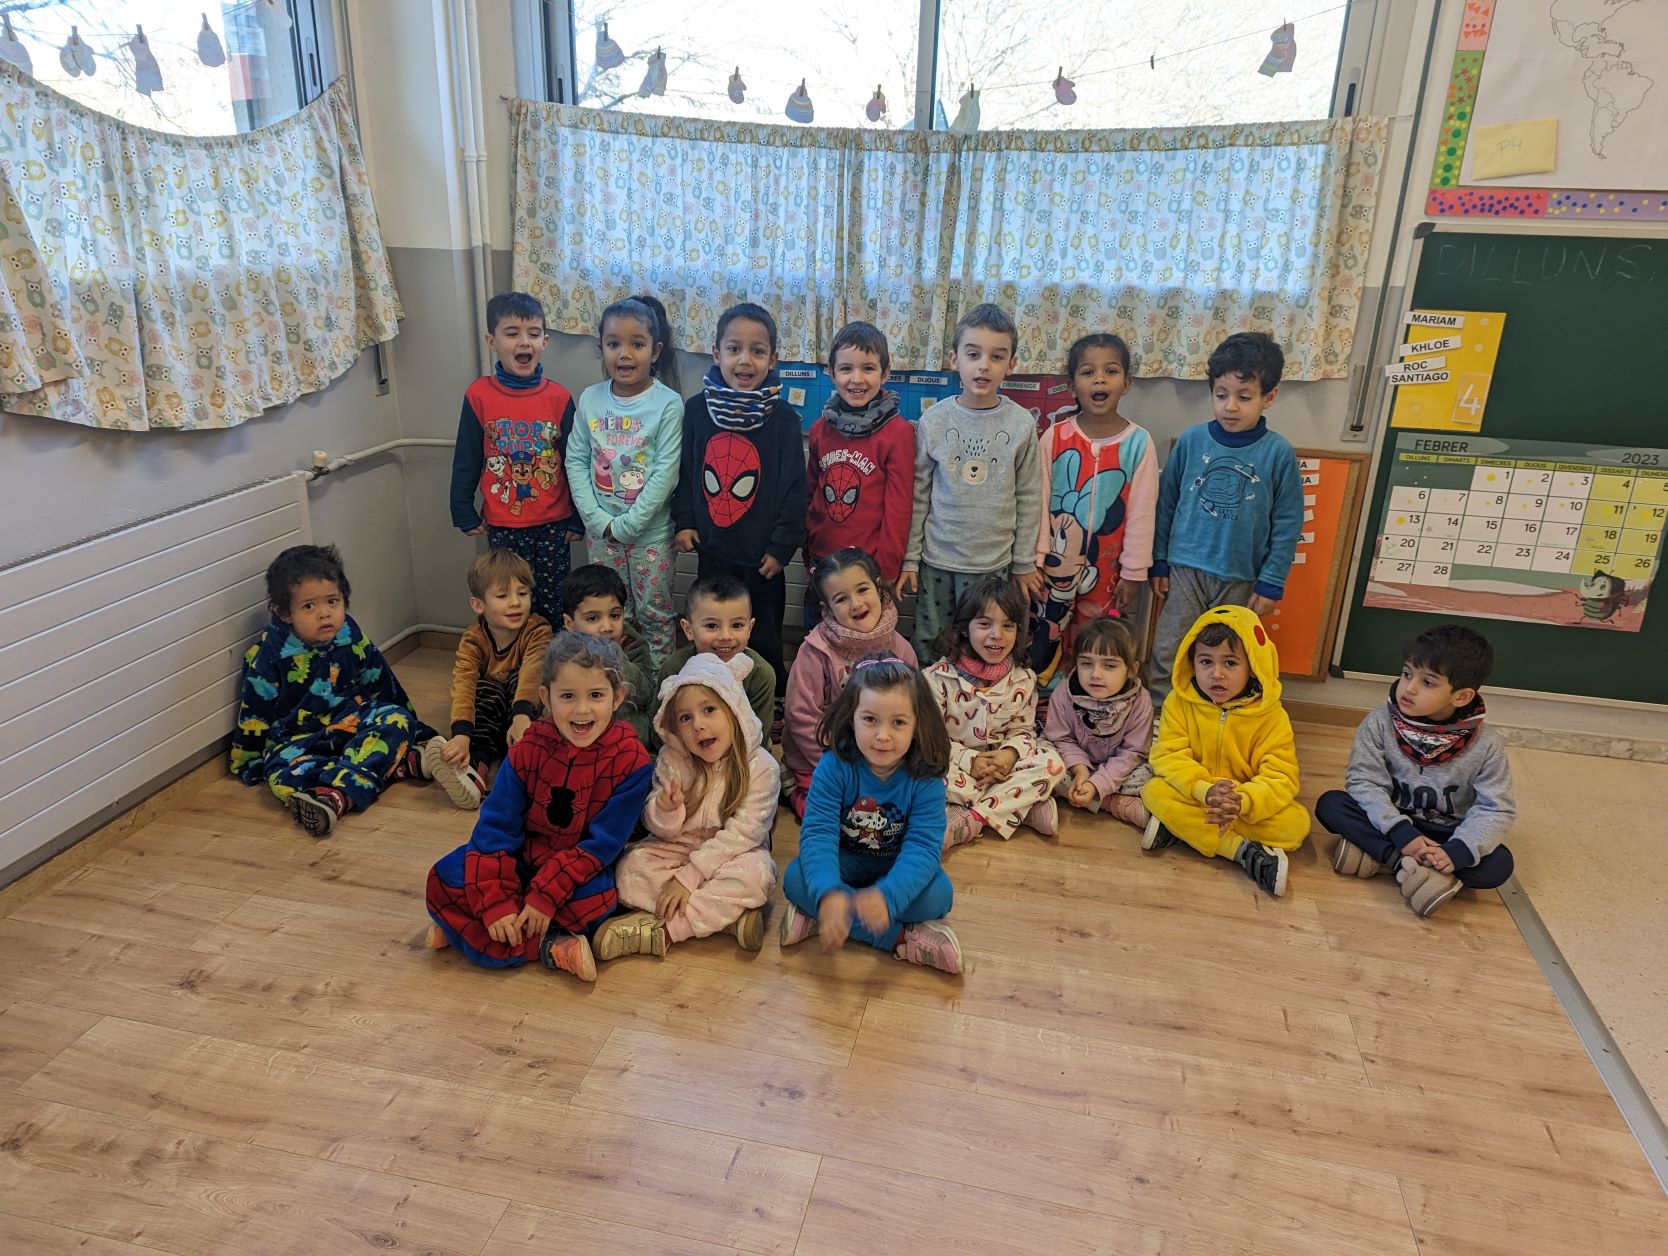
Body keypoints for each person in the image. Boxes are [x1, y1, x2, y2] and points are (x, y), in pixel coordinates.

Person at [424, 632, 653, 982]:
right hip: (520, 858)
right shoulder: (527, 748)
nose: (581, 710)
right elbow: (495, 829)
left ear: (617, 697)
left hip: (575, 872)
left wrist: (545, 894)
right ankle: (542, 942)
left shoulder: (632, 762)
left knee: (599, 902)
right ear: (546, 697)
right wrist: (496, 901)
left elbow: (601, 847)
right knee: (443, 877)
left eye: (596, 695)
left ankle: (468, 933)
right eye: (567, 696)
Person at [230, 544, 434, 837]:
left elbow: (381, 681)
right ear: (285, 613)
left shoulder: (350, 635)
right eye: (309, 606)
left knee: (395, 719)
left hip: (351, 720)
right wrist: (248, 761)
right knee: (281, 775)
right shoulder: (267, 657)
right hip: (299, 739)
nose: (324, 614)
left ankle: (338, 794)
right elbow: (255, 712)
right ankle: (395, 767)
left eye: (332, 601)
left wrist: (417, 731)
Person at [779, 655, 964, 974]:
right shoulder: (833, 767)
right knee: (795, 879)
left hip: (896, 863)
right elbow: (818, 835)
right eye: (870, 719)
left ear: (917, 724)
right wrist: (829, 892)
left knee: (940, 897)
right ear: (852, 718)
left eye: (898, 722)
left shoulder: (926, 779)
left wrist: (888, 897)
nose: (882, 735)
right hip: (845, 858)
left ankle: (823, 918)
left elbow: (922, 849)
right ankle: (900, 939)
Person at [1315, 624, 1516, 917]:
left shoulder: (1487, 745)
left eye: (1428, 682)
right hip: (1392, 821)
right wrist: (1401, 833)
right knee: (1331, 805)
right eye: (1407, 673)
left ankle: (1385, 858)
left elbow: (1496, 809)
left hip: (1446, 832)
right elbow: (1363, 781)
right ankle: (1408, 867)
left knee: (1499, 866)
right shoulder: (1380, 721)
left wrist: (1457, 851)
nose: (1409, 688)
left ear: (1461, 697)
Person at [1148, 331, 1302, 706]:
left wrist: (1271, 582)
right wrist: (1159, 561)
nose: (1230, 406)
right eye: (1221, 395)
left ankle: (1219, 716)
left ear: (1269, 397)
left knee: (1231, 654)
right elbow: (1165, 504)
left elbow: (1287, 524)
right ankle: (1161, 714)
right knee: (1170, 647)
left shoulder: (1278, 453)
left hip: (1241, 576)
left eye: (1244, 397)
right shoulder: (1191, 441)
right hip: (1185, 569)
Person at [597, 654, 779, 960]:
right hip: (678, 849)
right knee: (629, 868)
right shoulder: (673, 759)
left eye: (709, 710)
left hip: (733, 854)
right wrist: (665, 809)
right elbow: (659, 830)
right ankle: (726, 919)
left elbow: (744, 835)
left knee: (758, 875)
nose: (698, 725)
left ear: (734, 710)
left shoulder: (763, 768)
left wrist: (689, 878)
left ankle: (665, 931)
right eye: (685, 718)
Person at [672, 302, 806, 714]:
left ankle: (769, 704)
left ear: (773, 359)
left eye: (757, 351)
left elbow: (794, 488)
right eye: (734, 349)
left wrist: (782, 547)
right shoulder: (697, 410)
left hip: (763, 560)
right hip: (713, 550)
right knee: (714, 632)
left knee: (762, 638)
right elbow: (687, 470)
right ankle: (711, 696)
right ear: (716, 353)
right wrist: (685, 521)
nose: (745, 360)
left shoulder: (785, 419)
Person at [899, 303, 1044, 666]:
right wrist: (910, 560)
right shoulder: (933, 420)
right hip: (938, 560)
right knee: (931, 642)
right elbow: (919, 496)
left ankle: (978, 699)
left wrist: (1023, 562)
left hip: (993, 564)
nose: (984, 365)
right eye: (973, 354)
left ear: (1011, 364)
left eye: (997, 356)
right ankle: (930, 696)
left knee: (986, 644)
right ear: (954, 360)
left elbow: (1030, 497)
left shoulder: (1022, 424)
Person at [1140, 605, 1308, 897]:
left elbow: (1282, 777)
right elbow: (1167, 756)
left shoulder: (1272, 717)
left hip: (1241, 802)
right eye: (1206, 661)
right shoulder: (1179, 703)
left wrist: (1241, 802)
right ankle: (1241, 851)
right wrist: (1205, 790)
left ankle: (1182, 830)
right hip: (1198, 794)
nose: (1216, 674)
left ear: (1253, 666)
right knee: (1154, 790)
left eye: (1230, 663)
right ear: (1192, 663)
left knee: (1296, 824)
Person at [1029, 332, 1157, 687]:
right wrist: (1034, 559)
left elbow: (1142, 513)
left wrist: (1134, 572)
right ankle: (1043, 702)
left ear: (1126, 383)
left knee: (1097, 640)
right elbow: (1037, 501)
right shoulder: (1055, 437)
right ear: (1072, 385)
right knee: (1045, 635)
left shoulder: (1138, 443)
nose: (1100, 379)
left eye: (1110, 371)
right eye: (1088, 372)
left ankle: (1089, 700)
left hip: (1109, 571)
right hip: (1052, 564)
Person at [449, 291, 582, 626]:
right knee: (510, 600)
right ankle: (514, 657)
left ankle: (551, 658)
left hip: (554, 524)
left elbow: (575, 462)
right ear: (492, 341)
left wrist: (578, 518)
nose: (524, 342)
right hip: (503, 525)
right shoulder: (478, 395)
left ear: (544, 342)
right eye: (512, 333)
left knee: (553, 601)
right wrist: (461, 508)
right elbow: (467, 457)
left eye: (533, 334)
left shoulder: (559, 397)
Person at [565, 295, 684, 670]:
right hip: (603, 535)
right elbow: (576, 460)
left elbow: (666, 472)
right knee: (611, 615)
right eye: (614, 343)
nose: (625, 354)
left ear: (655, 350)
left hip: (651, 536)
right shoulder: (590, 399)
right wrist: (598, 521)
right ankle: (616, 680)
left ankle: (658, 687)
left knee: (654, 614)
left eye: (637, 344)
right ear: (601, 348)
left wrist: (629, 525)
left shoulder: (668, 404)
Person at [925, 577, 1066, 849]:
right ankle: (1021, 807)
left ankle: (972, 819)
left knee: (1052, 761)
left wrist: (1009, 754)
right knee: (917, 769)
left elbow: (1023, 731)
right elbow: (931, 740)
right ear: (964, 628)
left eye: (1008, 626)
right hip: (956, 766)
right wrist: (970, 760)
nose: (997, 635)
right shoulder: (937, 678)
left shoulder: (1024, 679)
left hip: (1004, 769)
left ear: (1018, 631)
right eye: (984, 624)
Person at [782, 548, 917, 818]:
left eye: (862, 589)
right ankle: (793, 790)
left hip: (882, 751)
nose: (856, 604)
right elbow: (801, 716)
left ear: (878, 587)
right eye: (841, 599)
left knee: (901, 808)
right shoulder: (815, 652)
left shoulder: (900, 648)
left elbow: (914, 709)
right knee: (839, 815)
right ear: (827, 609)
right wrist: (836, 767)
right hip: (824, 755)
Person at [803, 321, 914, 626]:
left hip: (869, 569)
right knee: (817, 636)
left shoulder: (898, 433)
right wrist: (808, 546)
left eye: (868, 368)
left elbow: (899, 507)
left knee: (865, 643)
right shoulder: (820, 429)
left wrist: (887, 568)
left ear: (885, 373)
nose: (857, 379)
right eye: (846, 369)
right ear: (831, 372)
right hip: (823, 559)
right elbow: (811, 492)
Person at [423, 549, 552, 810]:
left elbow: (533, 671)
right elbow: (463, 684)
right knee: (485, 688)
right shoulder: (473, 639)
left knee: (522, 681)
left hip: (524, 717)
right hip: (490, 718)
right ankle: (475, 768)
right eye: (503, 596)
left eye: (523, 594)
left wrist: (521, 716)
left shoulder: (538, 629)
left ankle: (520, 767)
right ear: (478, 605)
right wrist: (461, 735)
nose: (515, 603)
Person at [1042, 615, 1154, 827]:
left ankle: (1099, 798)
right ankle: (1112, 803)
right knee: (1041, 760)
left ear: (1131, 670)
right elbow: (1061, 739)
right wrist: (1080, 770)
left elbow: (1133, 752)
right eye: (1086, 663)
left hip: (1120, 769)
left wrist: (1097, 784)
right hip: (1075, 764)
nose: (1095, 674)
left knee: (1150, 776)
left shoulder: (1140, 701)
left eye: (1109, 666)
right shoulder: (1063, 693)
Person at [659, 573, 776, 743]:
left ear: (750, 628)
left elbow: (759, 737)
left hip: (743, 752)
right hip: (684, 750)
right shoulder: (674, 668)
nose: (725, 636)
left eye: (737, 625)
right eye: (712, 626)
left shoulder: (760, 674)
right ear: (688, 629)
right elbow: (661, 729)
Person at [561, 563, 655, 748]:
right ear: (570, 623)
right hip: (581, 726)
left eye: (614, 615)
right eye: (593, 618)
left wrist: (616, 659)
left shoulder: (631, 643)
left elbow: (646, 694)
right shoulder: (563, 652)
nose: (607, 627)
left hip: (625, 732)